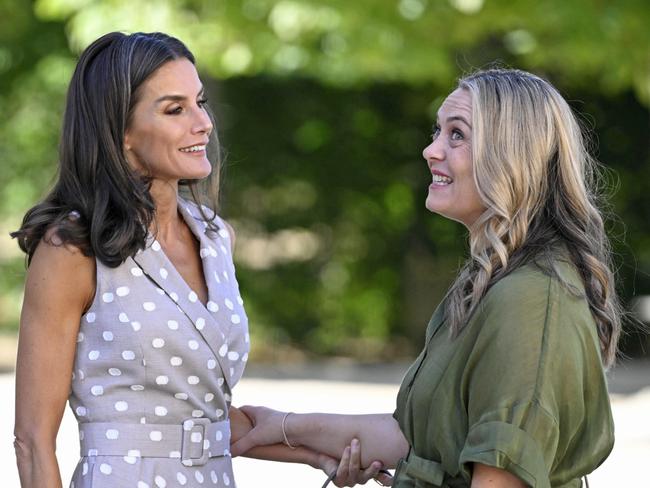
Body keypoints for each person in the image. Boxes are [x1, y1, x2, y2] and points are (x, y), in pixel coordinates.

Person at [11, 31, 381, 488]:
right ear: (121, 132)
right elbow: (31, 440)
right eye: (175, 109)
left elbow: (205, 418)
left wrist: (318, 456)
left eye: (200, 102)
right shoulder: (71, 248)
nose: (203, 122)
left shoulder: (216, 238)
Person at [232, 68, 622, 488]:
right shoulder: (493, 280)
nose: (430, 150)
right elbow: (417, 438)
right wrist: (283, 427)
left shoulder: (531, 298)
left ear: (512, 154)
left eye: (457, 135)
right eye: (438, 131)